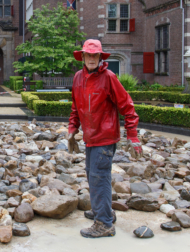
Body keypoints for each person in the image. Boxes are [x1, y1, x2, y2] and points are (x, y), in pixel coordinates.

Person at [67, 39, 141, 238]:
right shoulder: (77, 78)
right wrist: (72, 130)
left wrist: (132, 136)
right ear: (82, 56)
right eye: (88, 55)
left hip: (105, 137)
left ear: (100, 57)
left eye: (95, 55)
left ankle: (104, 224)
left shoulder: (109, 77)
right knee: (93, 175)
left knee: (99, 178)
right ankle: (103, 211)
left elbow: (128, 107)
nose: (91, 58)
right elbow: (76, 108)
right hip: (90, 137)